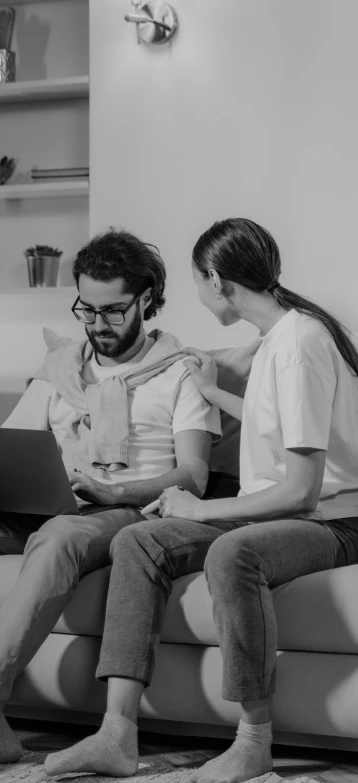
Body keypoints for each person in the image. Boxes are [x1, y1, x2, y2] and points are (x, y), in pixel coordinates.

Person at [0, 228, 223, 782]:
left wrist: (116, 491)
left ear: (148, 299)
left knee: (58, 536)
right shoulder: (60, 368)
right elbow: (10, 444)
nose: (98, 324)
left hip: (122, 509)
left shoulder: (181, 370)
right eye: (87, 308)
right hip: (45, 502)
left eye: (113, 311)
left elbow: (194, 476)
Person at [44, 217, 358, 783]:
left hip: (333, 520)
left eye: (196, 282)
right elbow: (282, 430)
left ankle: (252, 743)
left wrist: (202, 509)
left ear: (216, 279)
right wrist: (214, 392)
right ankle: (116, 734)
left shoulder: (300, 343)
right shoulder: (278, 338)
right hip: (288, 507)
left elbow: (304, 490)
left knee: (233, 554)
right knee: (139, 540)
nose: (197, 294)